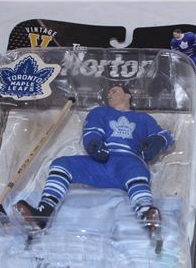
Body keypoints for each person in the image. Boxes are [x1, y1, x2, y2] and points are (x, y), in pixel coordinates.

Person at [14, 84, 174, 231]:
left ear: (127, 96)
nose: (109, 94)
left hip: (127, 163)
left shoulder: (143, 119)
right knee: (62, 164)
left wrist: (157, 141)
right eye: (108, 92)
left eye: (114, 91)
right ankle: (43, 212)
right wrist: (94, 144)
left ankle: (147, 215)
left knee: (136, 172)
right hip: (102, 161)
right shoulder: (100, 112)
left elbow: (165, 135)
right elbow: (92, 131)